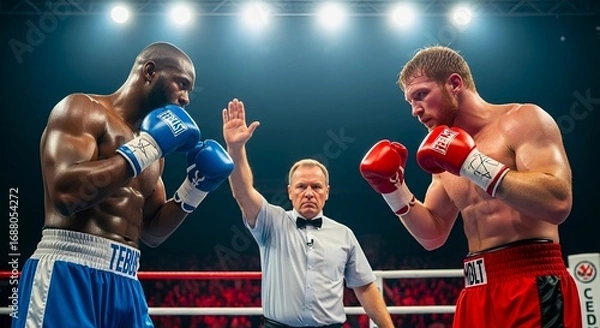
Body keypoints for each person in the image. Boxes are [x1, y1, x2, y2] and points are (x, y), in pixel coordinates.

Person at [12, 42, 234, 328]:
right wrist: (145, 148)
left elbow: (152, 232)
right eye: (182, 84)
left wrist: (195, 188)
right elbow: (65, 195)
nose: (186, 98)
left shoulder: (154, 152)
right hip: (68, 272)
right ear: (150, 71)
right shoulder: (82, 109)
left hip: (126, 280)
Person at [359, 45, 582, 327]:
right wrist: (393, 190)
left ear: (454, 84)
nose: (415, 110)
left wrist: (473, 164)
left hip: (531, 283)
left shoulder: (522, 120)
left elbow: (558, 202)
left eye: (421, 95)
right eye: (410, 102)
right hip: (476, 288)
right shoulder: (442, 155)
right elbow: (433, 235)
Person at [222, 98, 394, 328]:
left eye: (316, 187)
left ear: (327, 192)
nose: (309, 193)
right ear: (290, 192)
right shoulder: (272, 222)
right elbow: (243, 192)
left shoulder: (343, 234)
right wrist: (235, 148)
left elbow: (364, 286)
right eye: (302, 187)